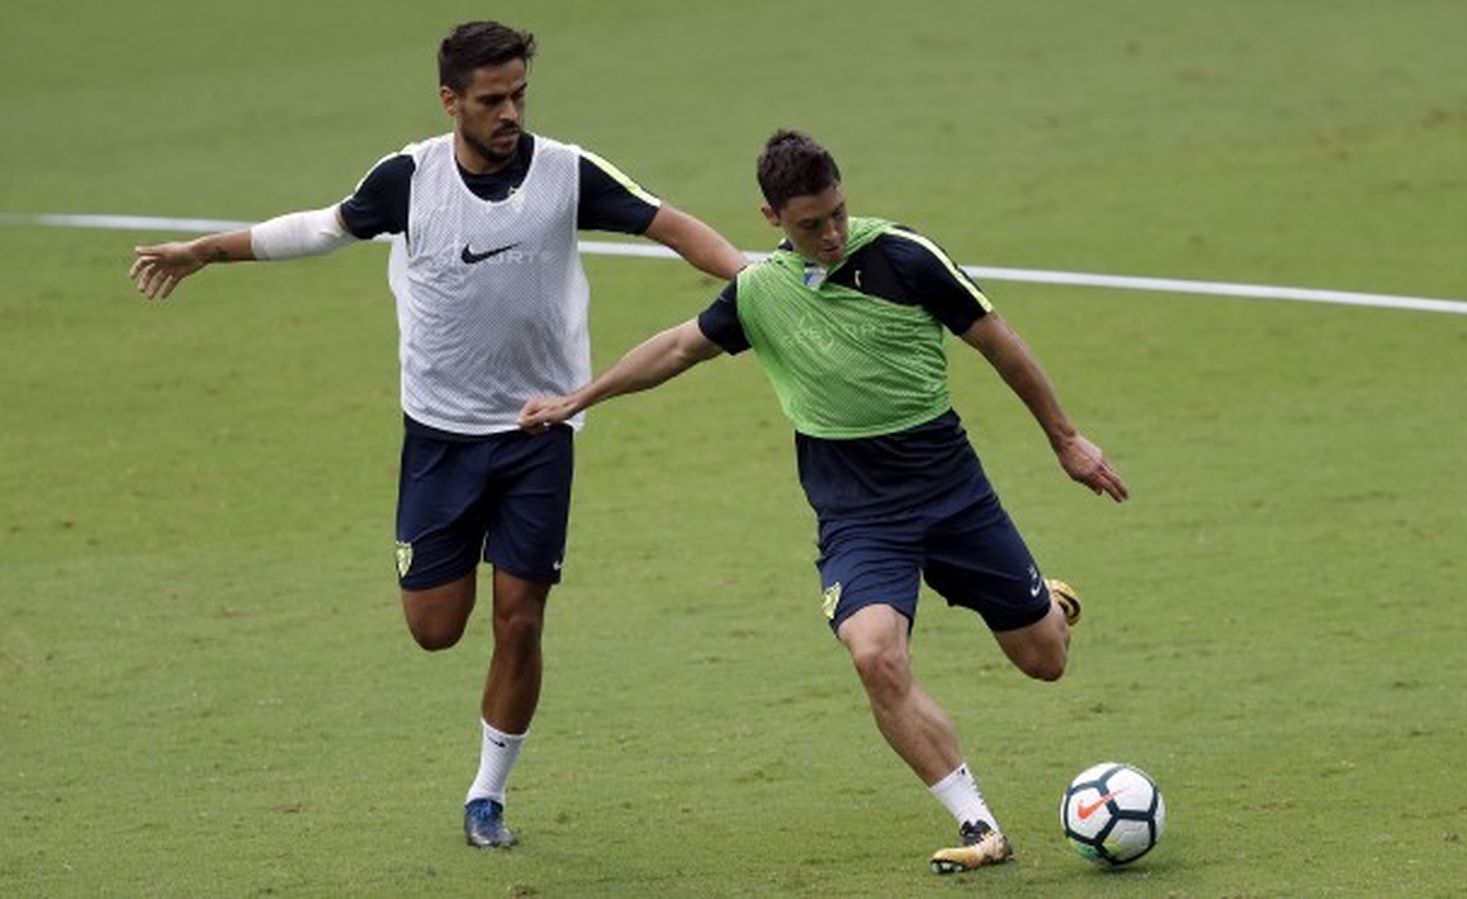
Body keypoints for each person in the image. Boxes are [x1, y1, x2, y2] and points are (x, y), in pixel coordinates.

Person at [127, 21, 747, 849]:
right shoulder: (408, 178)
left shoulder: (567, 172)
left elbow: (671, 225)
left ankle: (487, 794)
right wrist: (208, 249)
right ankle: (476, 735)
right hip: (440, 437)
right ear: (450, 100)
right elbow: (320, 227)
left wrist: (755, 277)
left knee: (520, 618)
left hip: (538, 427)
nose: (510, 113)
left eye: (519, 94)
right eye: (492, 100)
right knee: (434, 628)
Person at [519, 129, 1128, 874]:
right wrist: (581, 397)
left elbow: (1000, 343)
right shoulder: (759, 292)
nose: (832, 233)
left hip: (953, 496)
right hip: (859, 516)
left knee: (1044, 662)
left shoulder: (906, 256)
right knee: (874, 654)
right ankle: (979, 826)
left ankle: (1051, 607)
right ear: (772, 217)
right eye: (811, 224)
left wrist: (1065, 440)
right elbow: (676, 348)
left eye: (838, 212)